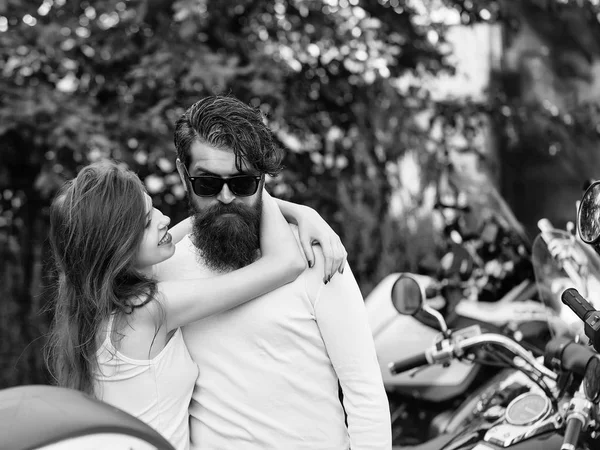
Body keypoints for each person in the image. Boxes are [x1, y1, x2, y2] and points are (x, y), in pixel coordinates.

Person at [45, 159, 349, 450]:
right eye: (148, 221)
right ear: (118, 245)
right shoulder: (147, 309)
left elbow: (204, 218)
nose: (164, 220)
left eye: (153, 208)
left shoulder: (97, 307)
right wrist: (260, 185)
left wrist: (300, 212)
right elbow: (286, 263)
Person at [157, 95, 392, 449]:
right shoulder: (167, 268)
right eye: (206, 184)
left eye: (242, 184)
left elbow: (364, 392)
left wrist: (301, 215)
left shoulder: (318, 255)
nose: (224, 197)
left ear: (262, 178)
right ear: (182, 175)